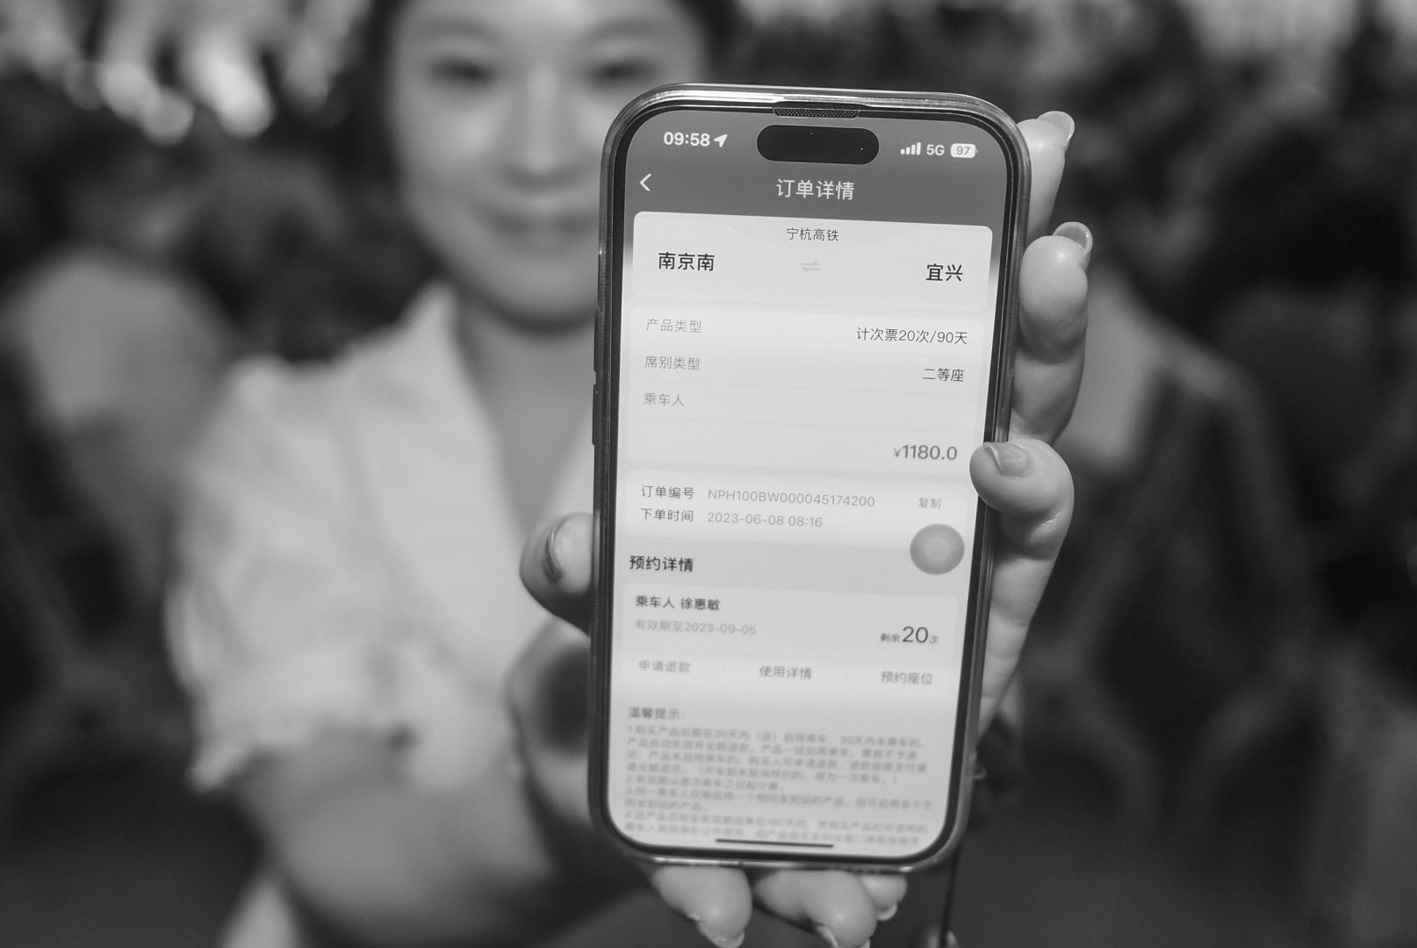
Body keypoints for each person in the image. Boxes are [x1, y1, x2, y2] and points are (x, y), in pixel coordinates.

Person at [165, 1, 1090, 946]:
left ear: (720, 80)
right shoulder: (279, 437)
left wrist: (932, 713)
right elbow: (328, 838)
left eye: (611, 70)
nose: (537, 151)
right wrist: (552, 825)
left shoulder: (854, 388)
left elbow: (966, 742)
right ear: (380, 104)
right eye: (467, 71)